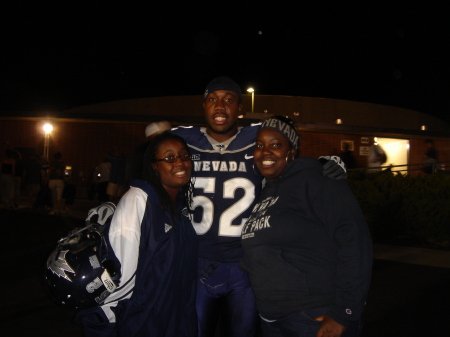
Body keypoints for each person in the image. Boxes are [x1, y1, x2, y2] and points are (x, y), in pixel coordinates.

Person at [145, 76, 347, 337]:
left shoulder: (256, 137)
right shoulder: (184, 138)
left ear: (240, 108)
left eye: (229, 100)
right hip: (196, 260)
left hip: (246, 265)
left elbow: (288, 153)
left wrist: (322, 165)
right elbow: (152, 153)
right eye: (212, 100)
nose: (220, 107)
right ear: (203, 106)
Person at [239, 116, 373, 337]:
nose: (265, 151)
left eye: (276, 144)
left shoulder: (317, 179)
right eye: (260, 145)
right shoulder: (264, 192)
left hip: (313, 317)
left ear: (291, 151)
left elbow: (355, 241)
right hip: (271, 319)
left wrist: (344, 312)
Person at [75, 132, 198, 336]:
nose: (180, 163)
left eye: (184, 156)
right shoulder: (138, 201)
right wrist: (103, 322)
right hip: (142, 322)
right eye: (169, 158)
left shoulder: (181, 205)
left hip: (176, 319)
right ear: (154, 166)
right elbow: (119, 275)